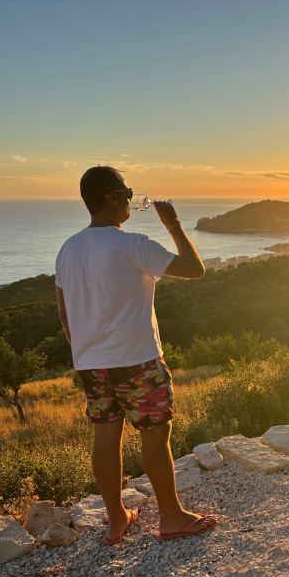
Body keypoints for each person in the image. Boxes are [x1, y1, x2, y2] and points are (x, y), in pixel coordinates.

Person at [55, 166, 217, 545]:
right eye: (126, 192)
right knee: (155, 434)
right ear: (112, 199)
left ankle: (116, 520)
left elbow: (64, 313)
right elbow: (196, 269)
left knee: (105, 437)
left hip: (91, 363)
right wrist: (173, 223)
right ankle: (172, 517)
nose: (131, 199)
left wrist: (86, 351)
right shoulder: (132, 244)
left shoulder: (68, 249)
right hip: (137, 359)